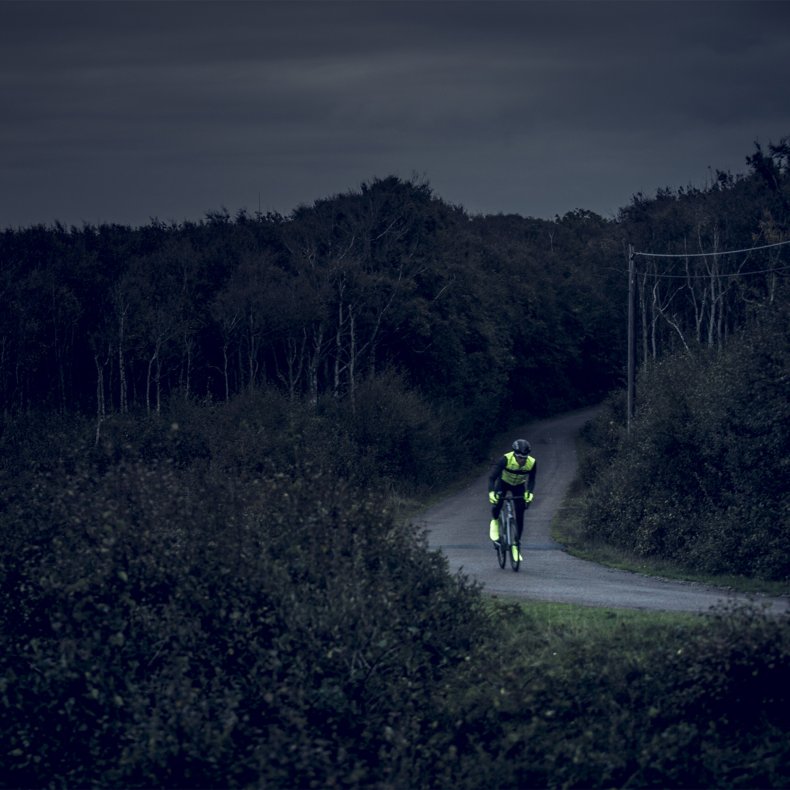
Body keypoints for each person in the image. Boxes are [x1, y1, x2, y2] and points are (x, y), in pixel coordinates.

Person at [488, 439, 536, 561]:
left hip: (519, 485)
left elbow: (532, 480)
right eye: (520, 458)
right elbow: (492, 478)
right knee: (497, 503)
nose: (522, 460)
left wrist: (529, 493)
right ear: (514, 454)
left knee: (520, 513)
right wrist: (491, 493)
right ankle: (495, 521)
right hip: (503, 483)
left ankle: (516, 544)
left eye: (525, 458)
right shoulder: (505, 459)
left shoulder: (532, 463)